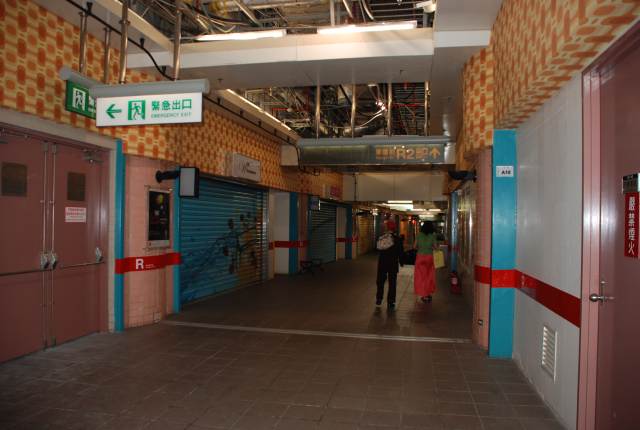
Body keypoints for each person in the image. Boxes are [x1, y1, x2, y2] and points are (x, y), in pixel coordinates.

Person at [376, 220, 403, 310]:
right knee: (392, 283)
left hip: (382, 263)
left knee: (380, 281)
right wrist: (401, 262)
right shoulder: (397, 239)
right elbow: (400, 252)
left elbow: (378, 249)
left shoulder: (382, 237)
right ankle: (391, 302)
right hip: (393, 264)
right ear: (394, 228)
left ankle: (379, 298)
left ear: (386, 228)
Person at [414, 221, 438, 302]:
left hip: (420, 257)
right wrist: (430, 247)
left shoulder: (419, 235)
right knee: (429, 276)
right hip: (429, 257)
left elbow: (414, 246)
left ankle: (423, 294)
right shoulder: (433, 236)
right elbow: (435, 247)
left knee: (421, 277)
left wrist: (420, 248)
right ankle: (427, 294)